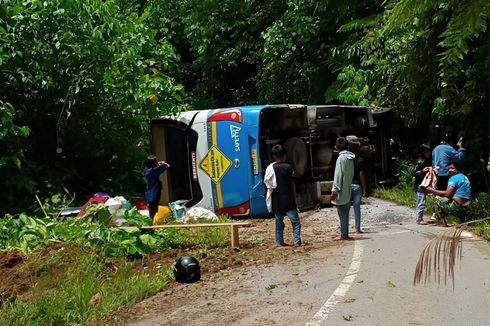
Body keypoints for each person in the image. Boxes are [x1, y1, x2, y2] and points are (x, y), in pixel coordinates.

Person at [264, 144, 302, 247]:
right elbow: (292, 184)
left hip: (276, 201)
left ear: (274, 157)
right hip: (288, 200)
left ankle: (279, 241)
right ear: (284, 155)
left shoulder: (270, 169)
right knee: (295, 222)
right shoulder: (288, 167)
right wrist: (294, 197)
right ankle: (297, 241)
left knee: (279, 223)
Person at [424, 161, 472, 226]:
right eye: (449, 168)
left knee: (437, 198)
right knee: (448, 199)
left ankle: (443, 222)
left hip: (457, 207)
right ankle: (464, 222)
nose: (449, 170)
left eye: (452, 168)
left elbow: (447, 194)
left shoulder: (454, 178)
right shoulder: (464, 177)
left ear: (457, 170)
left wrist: (431, 190)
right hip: (468, 208)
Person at [331, 137, 355, 240]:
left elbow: (338, 176)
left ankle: (343, 234)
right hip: (348, 188)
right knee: (345, 213)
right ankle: (344, 233)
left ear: (336, 147)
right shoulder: (350, 158)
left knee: (342, 214)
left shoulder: (340, 159)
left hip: (341, 190)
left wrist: (334, 191)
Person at [414, 144, 432, 225]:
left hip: (425, 184)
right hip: (419, 185)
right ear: (423, 152)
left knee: (422, 200)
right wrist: (422, 171)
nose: (429, 153)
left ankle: (420, 218)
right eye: (427, 152)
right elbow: (414, 172)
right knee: (421, 201)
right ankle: (419, 219)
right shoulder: (420, 161)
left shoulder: (428, 160)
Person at [351, 156, 367, 233]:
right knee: (357, 208)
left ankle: (345, 229)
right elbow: (361, 174)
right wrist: (364, 188)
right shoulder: (360, 160)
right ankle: (357, 228)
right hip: (357, 185)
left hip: (347, 186)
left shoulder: (345, 160)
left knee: (345, 208)